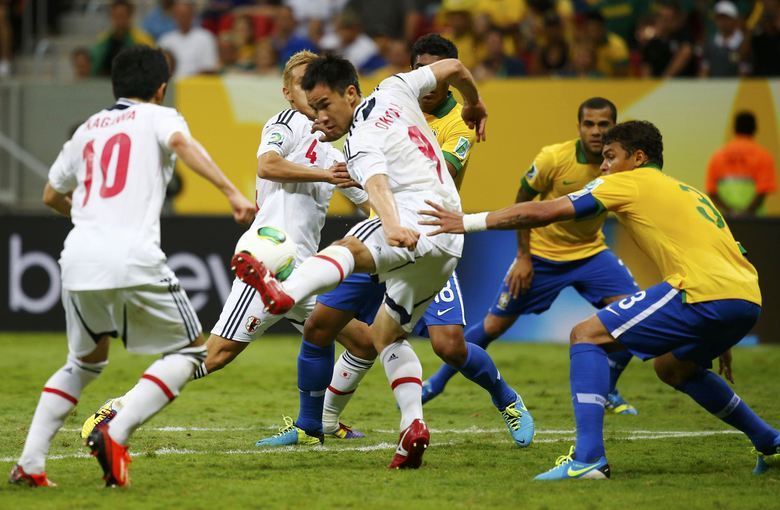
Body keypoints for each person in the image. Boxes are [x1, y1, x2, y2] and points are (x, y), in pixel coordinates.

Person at [421, 120, 780, 480]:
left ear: (638, 158)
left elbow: (544, 211)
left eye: (611, 157)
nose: (603, 166)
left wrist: (467, 221)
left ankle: (589, 458)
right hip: (744, 297)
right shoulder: (691, 192)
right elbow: (733, 253)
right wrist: (721, 336)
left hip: (701, 293)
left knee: (586, 335)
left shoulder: (626, 182)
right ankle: (770, 441)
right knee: (673, 367)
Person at [254, 34, 534, 450]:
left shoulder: (369, 136)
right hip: (397, 237)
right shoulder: (397, 87)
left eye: (323, 107)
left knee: (448, 344)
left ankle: (507, 399)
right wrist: (476, 100)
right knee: (334, 328)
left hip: (425, 229)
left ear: (350, 93)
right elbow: (456, 71)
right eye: (312, 111)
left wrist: (391, 222)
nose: (317, 122)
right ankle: (324, 426)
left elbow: (381, 183)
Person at [79, 50, 369, 441]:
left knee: (363, 341)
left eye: (318, 86)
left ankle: (318, 425)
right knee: (213, 356)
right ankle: (118, 408)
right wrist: (328, 176)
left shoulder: (332, 151)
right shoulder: (286, 124)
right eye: (304, 85)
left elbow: (366, 198)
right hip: (269, 264)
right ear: (288, 92)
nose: (312, 93)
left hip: (304, 271)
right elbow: (267, 165)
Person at [8, 46, 255, 488]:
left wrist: (88, 216)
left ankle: (31, 462)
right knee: (190, 352)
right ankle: (116, 432)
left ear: (115, 85)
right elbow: (182, 144)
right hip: (133, 257)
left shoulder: (87, 129)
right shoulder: (159, 117)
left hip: (78, 256)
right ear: (160, 88)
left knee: (82, 363)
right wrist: (232, 193)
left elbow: (50, 194)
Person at [422, 97, 640, 415]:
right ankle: (437, 383)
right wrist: (524, 256)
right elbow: (525, 198)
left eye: (603, 124)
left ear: (614, 126)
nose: (595, 131)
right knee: (493, 326)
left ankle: (608, 388)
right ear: (578, 126)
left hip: (592, 254)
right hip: (542, 257)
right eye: (588, 124)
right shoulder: (554, 158)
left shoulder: (620, 167)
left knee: (635, 317)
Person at [706, 111, 777, 216]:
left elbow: (712, 192)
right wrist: (745, 214)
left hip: (724, 220)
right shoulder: (763, 156)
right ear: (755, 128)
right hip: (755, 221)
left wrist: (731, 212)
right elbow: (762, 192)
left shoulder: (718, 156)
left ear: (734, 128)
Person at [91, 0, 154, 77]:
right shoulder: (102, 41)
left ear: (130, 16)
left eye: (122, 16)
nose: (119, 20)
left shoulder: (143, 40)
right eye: (116, 16)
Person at [158, 0, 219, 78]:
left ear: (192, 15)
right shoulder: (165, 40)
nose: (182, 18)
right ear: (174, 16)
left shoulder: (206, 37)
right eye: (179, 15)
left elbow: (209, 68)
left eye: (185, 14)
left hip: (197, 85)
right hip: (171, 86)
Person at [699, 1, 748, 77]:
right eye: (719, 18)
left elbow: (744, 71)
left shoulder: (743, 42)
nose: (723, 22)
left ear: (734, 19)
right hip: (714, 86)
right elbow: (704, 69)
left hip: (736, 86)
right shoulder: (711, 43)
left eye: (726, 18)